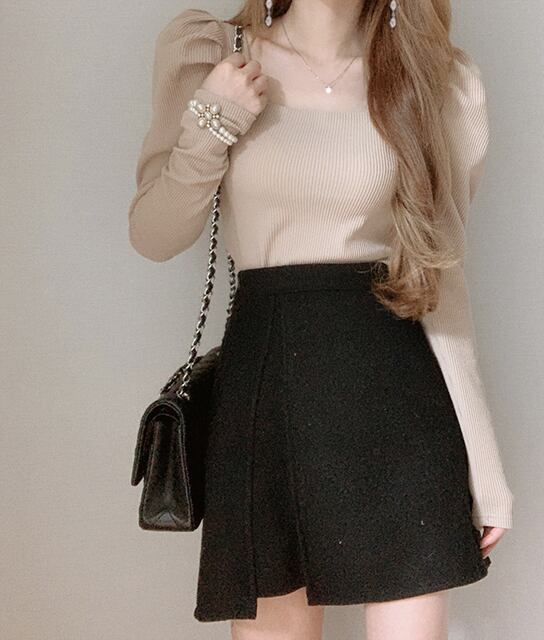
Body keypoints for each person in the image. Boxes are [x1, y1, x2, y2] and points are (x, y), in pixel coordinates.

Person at [128, 1, 514, 638]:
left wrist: (486, 465)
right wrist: (214, 121)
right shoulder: (214, 54)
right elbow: (154, 234)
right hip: (267, 397)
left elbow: (439, 280)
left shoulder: (434, 78)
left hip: (401, 405)